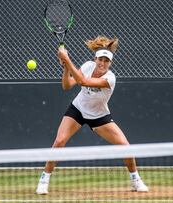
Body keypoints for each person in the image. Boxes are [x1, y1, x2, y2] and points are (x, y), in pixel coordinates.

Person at [36, 36, 149, 195]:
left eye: (106, 61)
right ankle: (44, 180)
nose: (103, 63)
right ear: (95, 59)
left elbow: (83, 82)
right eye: (100, 59)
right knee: (60, 141)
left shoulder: (110, 78)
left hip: (99, 116)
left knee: (125, 147)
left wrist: (67, 59)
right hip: (78, 110)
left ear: (110, 63)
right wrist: (65, 67)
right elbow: (67, 85)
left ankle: (136, 181)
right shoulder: (88, 66)